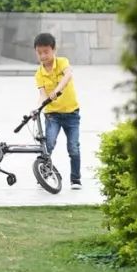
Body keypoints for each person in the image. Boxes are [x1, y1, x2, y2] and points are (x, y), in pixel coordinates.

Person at [33, 31, 81, 190]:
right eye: (39, 53)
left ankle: (75, 179)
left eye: (46, 52)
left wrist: (57, 90)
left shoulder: (62, 62)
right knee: (49, 144)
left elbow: (68, 76)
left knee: (73, 147)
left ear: (54, 50)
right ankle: (44, 175)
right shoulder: (39, 74)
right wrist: (36, 108)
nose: (43, 56)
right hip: (52, 115)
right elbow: (42, 95)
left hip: (72, 114)